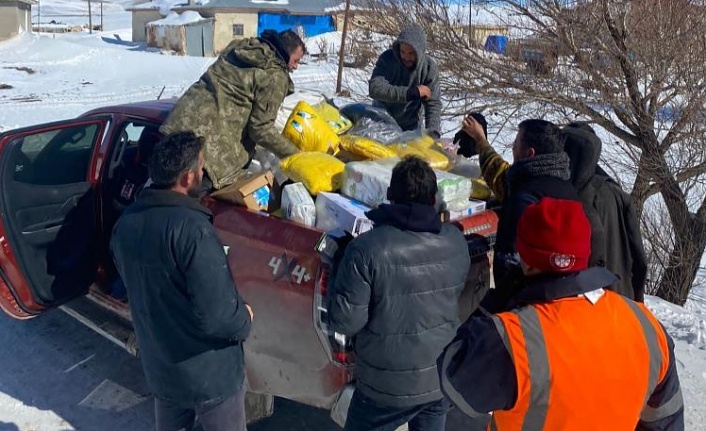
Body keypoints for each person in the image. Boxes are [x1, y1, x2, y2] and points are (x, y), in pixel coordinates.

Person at [438, 197, 684, 430]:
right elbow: (665, 420)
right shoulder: (648, 327)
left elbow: (452, 374)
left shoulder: (510, 338)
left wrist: (494, 303)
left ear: (527, 260)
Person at [110, 131, 253, 431]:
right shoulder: (193, 231)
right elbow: (220, 317)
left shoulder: (126, 224)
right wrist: (245, 319)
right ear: (187, 178)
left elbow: (134, 284)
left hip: (161, 369)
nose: (203, 172)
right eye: (200, 166)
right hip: (209, 378)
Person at [328, 156, 470, 431]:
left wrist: (339, 267)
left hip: (385, 388)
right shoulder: (455, 241)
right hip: (438, 378)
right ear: (434, 200)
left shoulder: (366, 250)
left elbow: (345, 321)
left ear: (390, 196)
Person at [461, 116, 604, 313]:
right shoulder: (564, 186)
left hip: (528, 307)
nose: (512, 147)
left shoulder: (526, 197)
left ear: (529, 153)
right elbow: (500, 175)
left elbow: (510, 259)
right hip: (560, 303)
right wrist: (480, 141)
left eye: (516, 143)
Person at [160, 29, 305, 191]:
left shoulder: (241, 47)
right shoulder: (275, 76)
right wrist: (298, 156)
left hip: (177, 126)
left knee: (159, 189)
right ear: (286, 52)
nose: (296, 67)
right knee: (187, 206)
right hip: (209, 152)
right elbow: (261, 129)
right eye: (296, 60)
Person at [563, 122, 648, 301]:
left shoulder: (576, 194)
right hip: (623, 295)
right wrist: (638, 300)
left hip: (591, 299)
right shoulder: (617, 192)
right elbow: (640, 259)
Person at [369, 24, 442, 138]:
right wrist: (412, 93)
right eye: (402, 52)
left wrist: (433, 135)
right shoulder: (387, 59)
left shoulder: (429, 68)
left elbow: (433, 104)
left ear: (420, 52)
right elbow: (375, 88)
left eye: (411, 53)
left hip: (411, 126)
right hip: (381, 122)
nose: (406, 57)